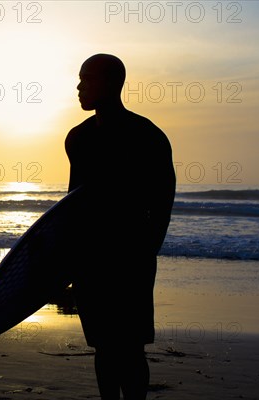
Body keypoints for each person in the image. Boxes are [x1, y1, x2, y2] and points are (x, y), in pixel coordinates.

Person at [65, 54, 176, 399]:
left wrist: (146, 250)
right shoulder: (78, 138)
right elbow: (74, 202)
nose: (79, 87)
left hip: (131, 257)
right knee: (102, 347)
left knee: (129, 348)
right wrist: (65, 259)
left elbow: (163, 198)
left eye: (87, 79)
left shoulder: (147, 136)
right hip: (89, 259)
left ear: (112, 83)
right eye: (80, 79)